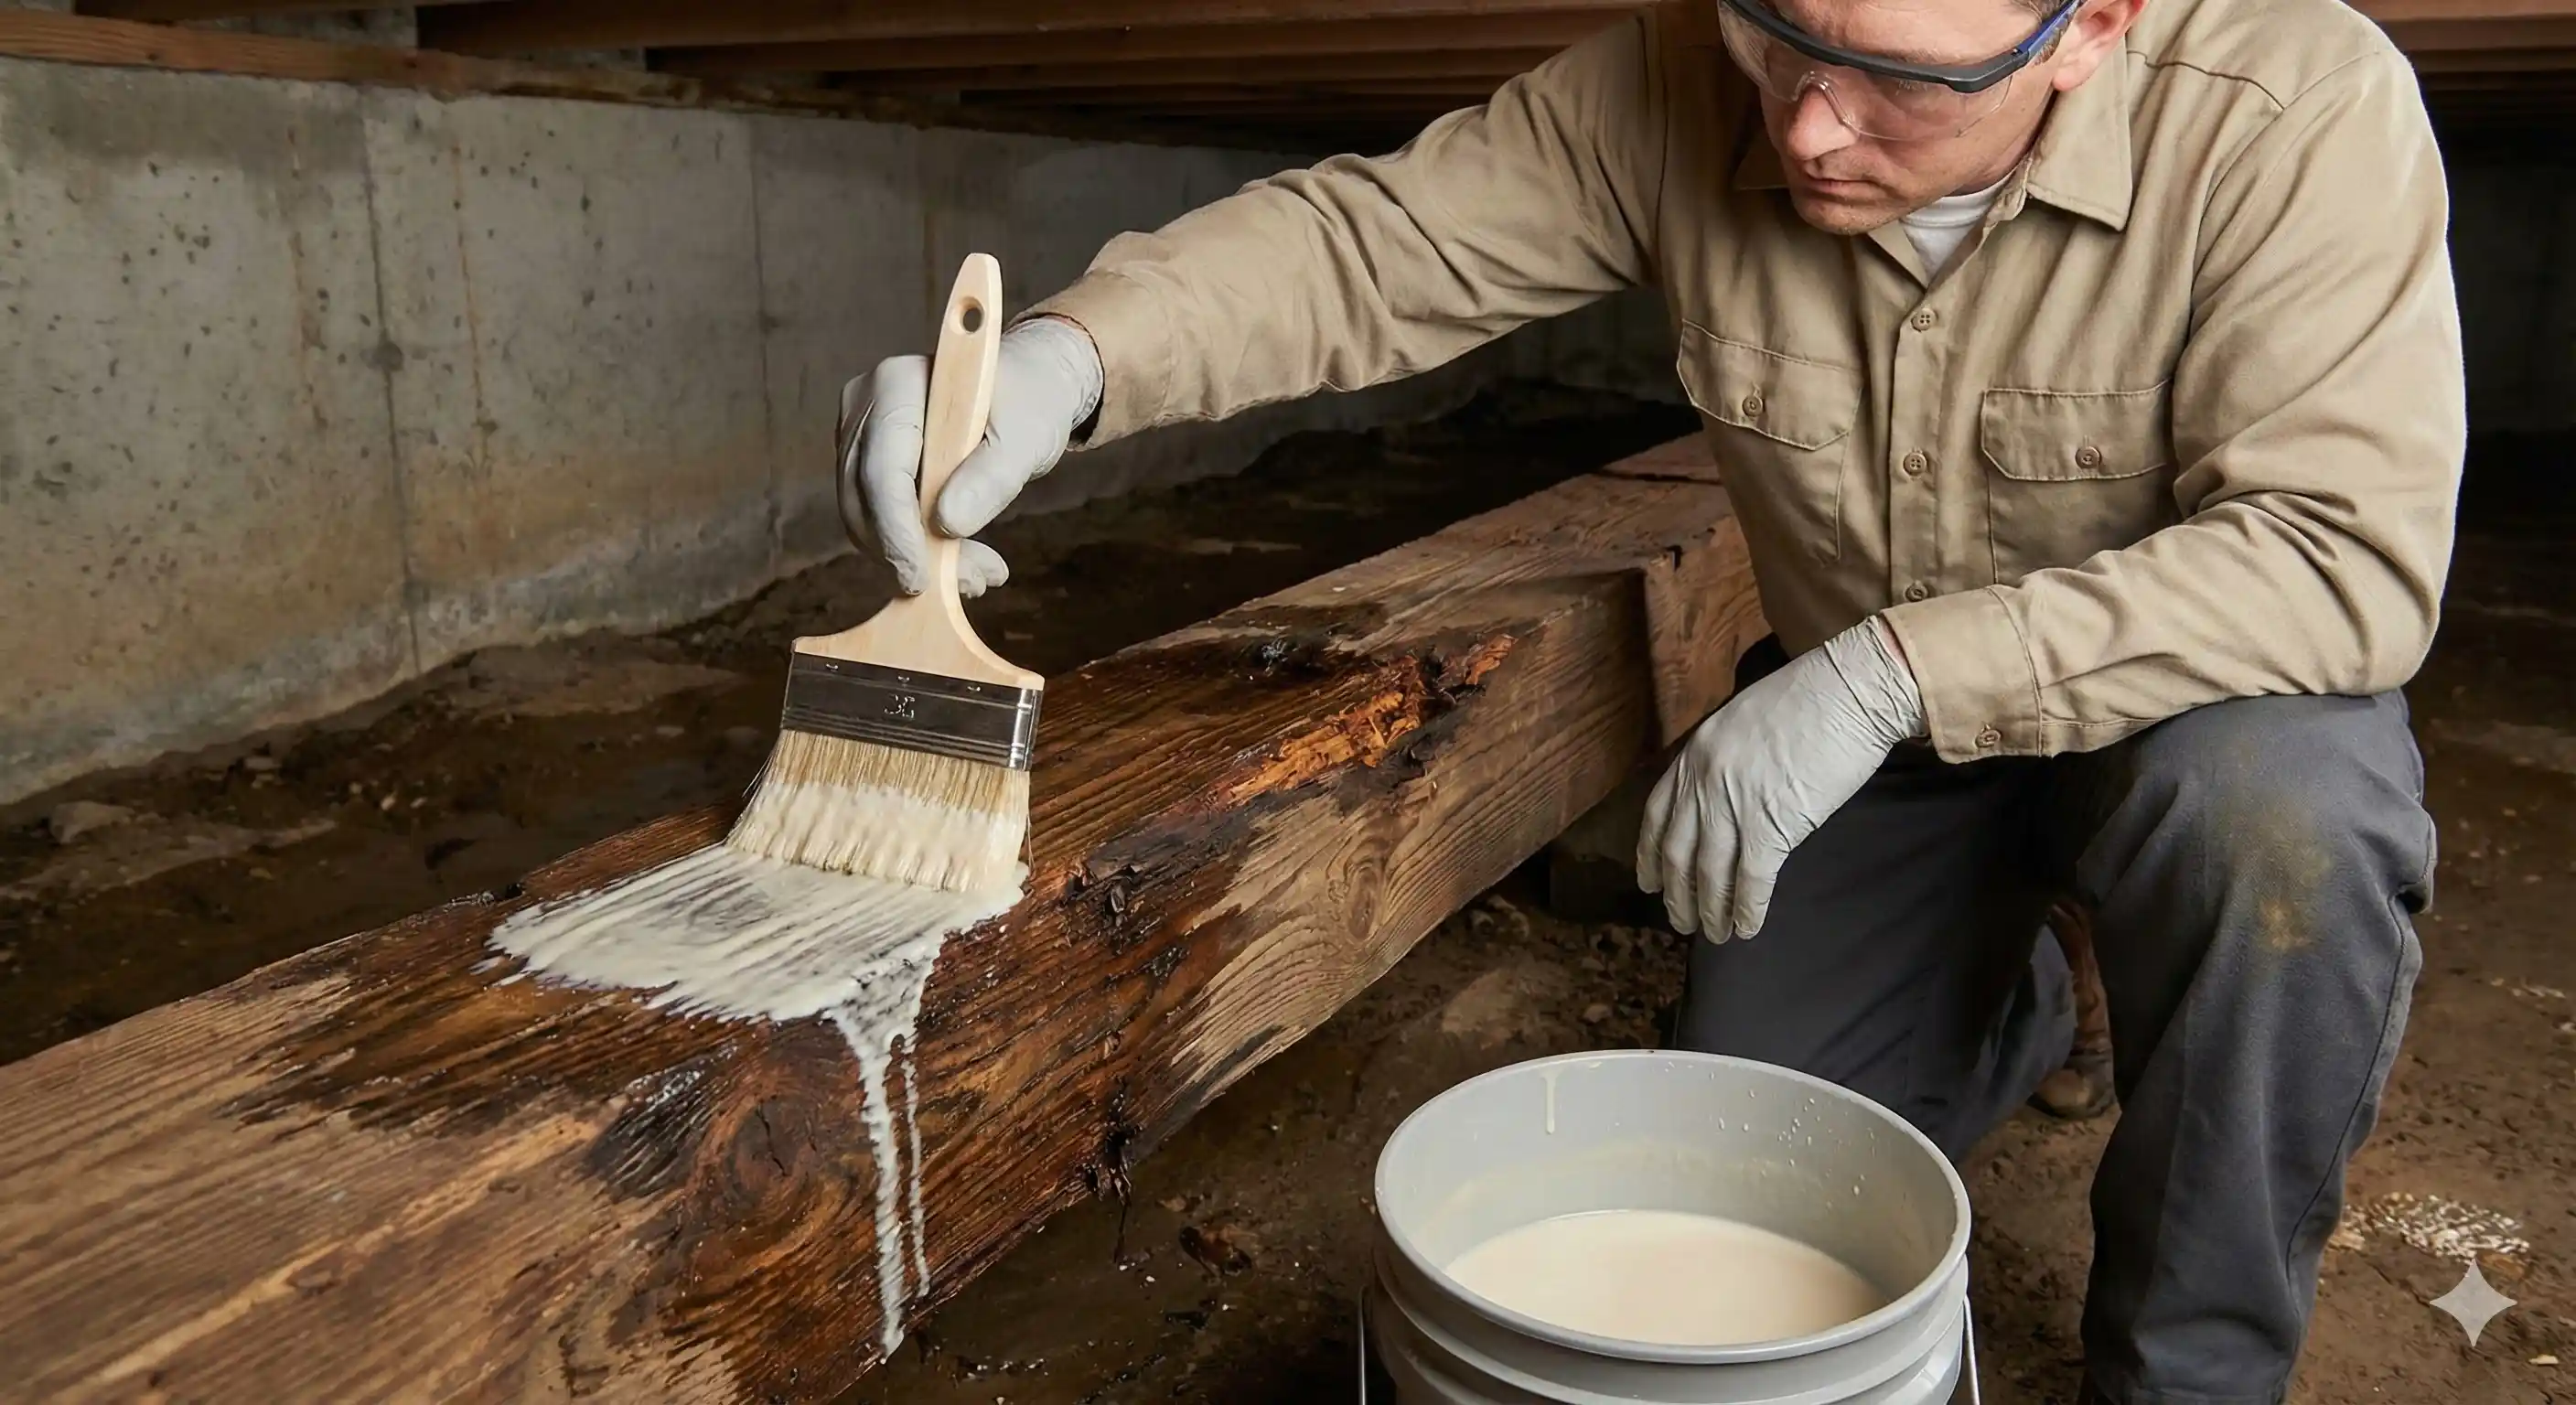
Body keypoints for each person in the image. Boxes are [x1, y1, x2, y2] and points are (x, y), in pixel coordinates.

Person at [842, 0, 2463, 1398]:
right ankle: (2028, 989)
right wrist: (1070, 360)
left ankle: (2188, 1372)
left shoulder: (2296, 113)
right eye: (1777, 33)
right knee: (1752, 1171)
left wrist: (1894, 670)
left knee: (2283, 830)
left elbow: (2343, 559)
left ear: (2095, 25)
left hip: (2175, 723)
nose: (1811, 123)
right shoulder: (1688, 81)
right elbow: (1373, 246)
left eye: (1897, 78)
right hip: (1865, 767)